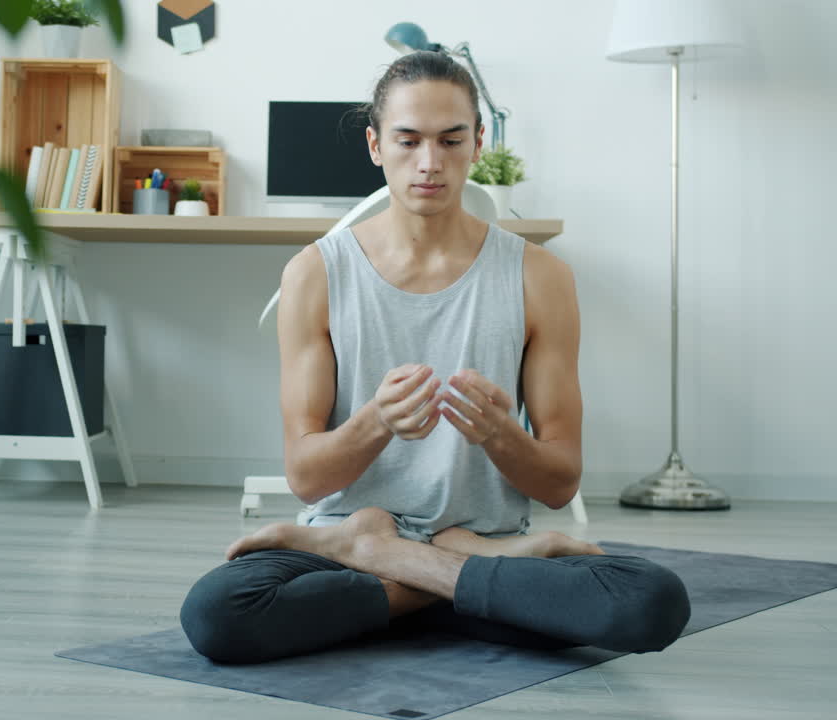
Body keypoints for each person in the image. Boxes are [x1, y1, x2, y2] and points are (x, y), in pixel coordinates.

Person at [179, 52, 690, 664]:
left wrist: (503, 436)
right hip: (378, 541)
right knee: (216, 614)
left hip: (458, 543)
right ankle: (438, 570)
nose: (430, 162)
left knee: (652, 601)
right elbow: (307, 477)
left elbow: (559, 483)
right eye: (408, 140)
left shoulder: (540, 277)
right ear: (375, 145)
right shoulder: (315, 273)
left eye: (451, 140)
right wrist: (376, 423)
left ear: (478, 143)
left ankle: (385, 559)